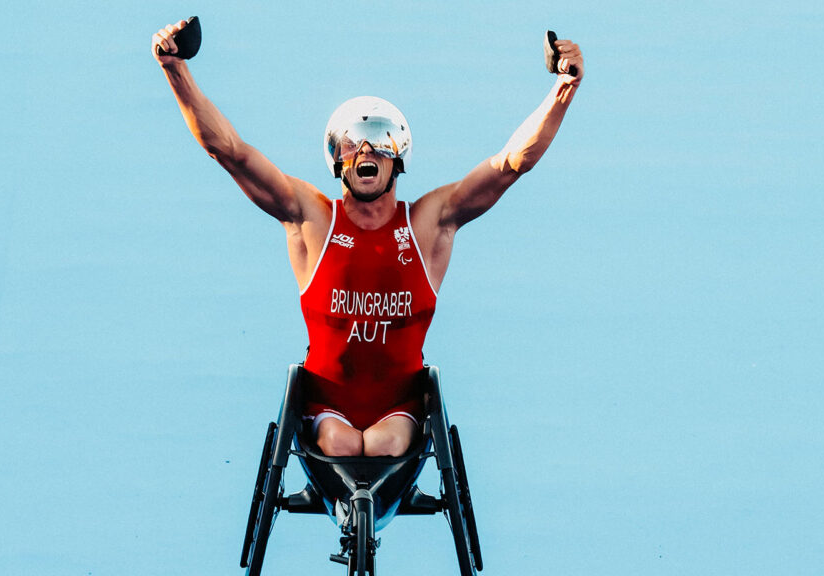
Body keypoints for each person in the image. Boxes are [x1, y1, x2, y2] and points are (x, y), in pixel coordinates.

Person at [153, 21, 583, 458]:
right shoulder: (312, 217)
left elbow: (510, 164)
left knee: (381, 444)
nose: (364, 152)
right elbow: (229, 150)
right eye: (351, 144)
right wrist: (174, 68)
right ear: (336, 159)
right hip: (326, 409)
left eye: (378, 140)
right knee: (341, 443)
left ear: (398, 155)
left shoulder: (428, 225)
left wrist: (563, 89)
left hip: (399, 411)